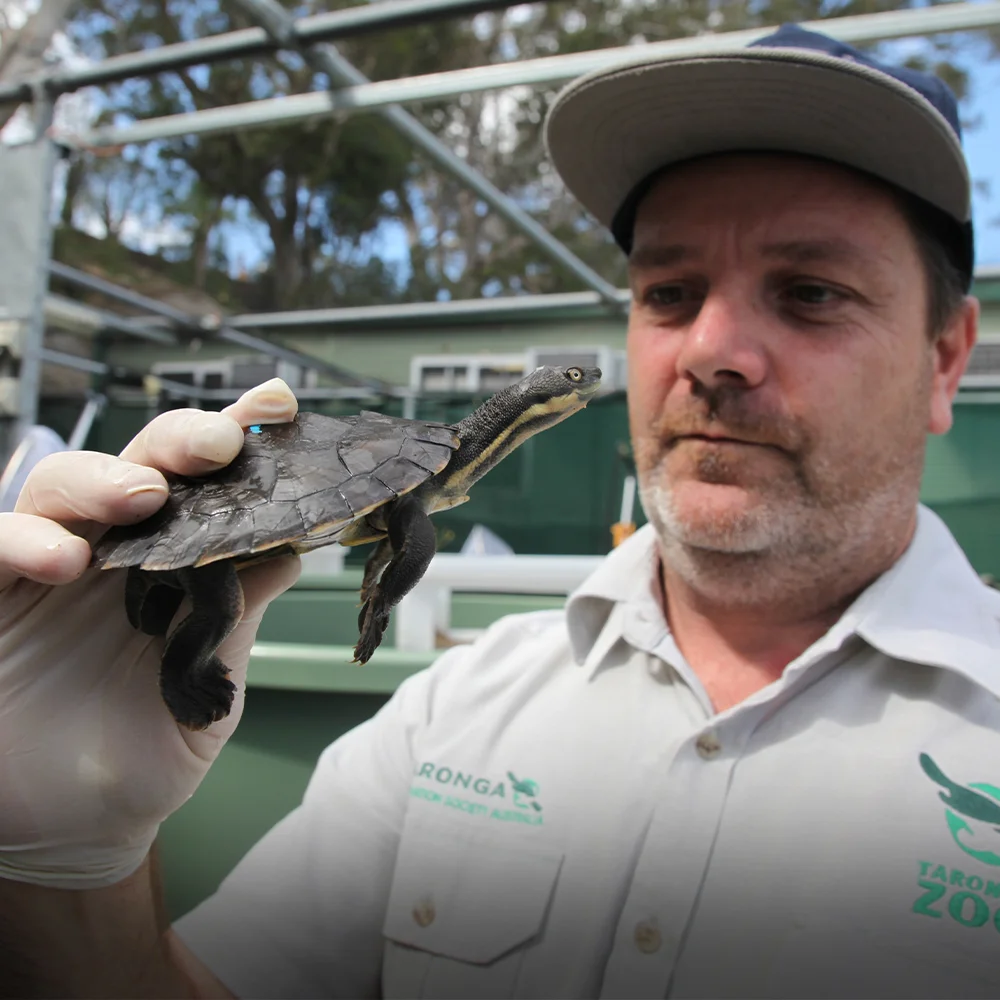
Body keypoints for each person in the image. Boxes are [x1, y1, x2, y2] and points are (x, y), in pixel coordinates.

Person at [1, 22, 998, 999]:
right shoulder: (457, 704)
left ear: (945, 357)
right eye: (668, 288)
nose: (711, 349)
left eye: (812, 291)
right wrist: (65, 868)